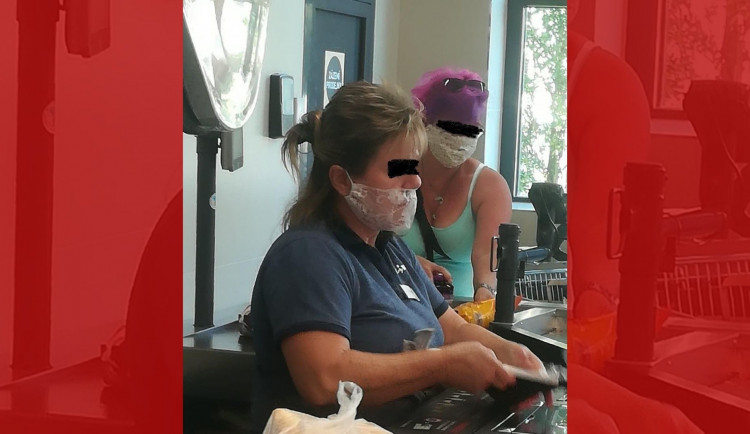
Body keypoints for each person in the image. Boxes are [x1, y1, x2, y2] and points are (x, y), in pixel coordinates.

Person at [249, 81, 543, 431]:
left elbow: (453, 329)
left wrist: (512, 355)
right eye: (397, 169)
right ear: (342, 180)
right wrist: (442, 365)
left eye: (414, 167)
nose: (415, 182)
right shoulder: (307, 255)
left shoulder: (390, 250)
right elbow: (323, 380)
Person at [400, 67, 513, 302]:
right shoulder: (398, 169)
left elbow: (486, 257)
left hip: (460, 307)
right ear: (424, 122)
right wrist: (409, 261)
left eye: (471, 131)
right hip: (396, 301)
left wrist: (485, 291)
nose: (460, 139)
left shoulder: (490, 186)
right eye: (451, 129)